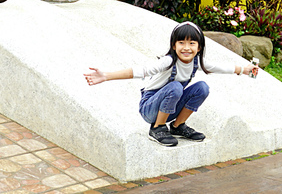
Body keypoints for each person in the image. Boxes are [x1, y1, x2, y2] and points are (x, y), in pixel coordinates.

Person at [84, 21, 259, 147]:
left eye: (192, 43)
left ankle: (176, 126)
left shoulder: (197, 62)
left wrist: (245, 69)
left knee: (202, 87)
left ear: (199, 47)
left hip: (170, 106)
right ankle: (158, 128)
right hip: (150, 108)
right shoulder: (167, 62)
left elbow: (221, 67)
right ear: (174, 46)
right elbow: (139, 71)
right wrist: (106, 76)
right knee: (175, 87)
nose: (186, 47)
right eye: (181, 42)